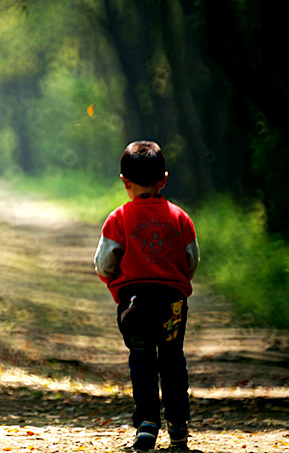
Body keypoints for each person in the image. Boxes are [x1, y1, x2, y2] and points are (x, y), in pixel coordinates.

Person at [94, 140, 200, 451]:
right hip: (172, 302)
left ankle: (147, 424)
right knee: (172, 358)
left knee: (141, 359)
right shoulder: (180, 218)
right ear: (164, 179)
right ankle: (178, 426)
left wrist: (116, 284)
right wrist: (173, 281)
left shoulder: (118, 219)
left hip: (134, 302)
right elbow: (191, 261)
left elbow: (104, 264)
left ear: (125, 182)